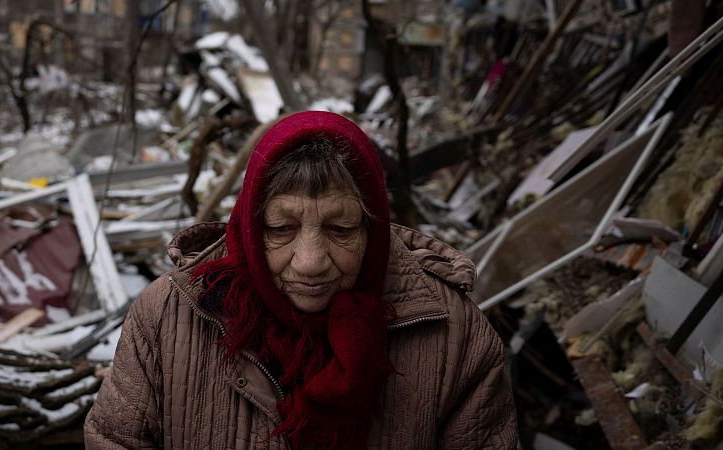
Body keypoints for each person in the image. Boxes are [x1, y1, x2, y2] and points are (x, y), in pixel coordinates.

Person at [84, 111, 517, 449]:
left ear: (373, 229)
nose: (310, 263)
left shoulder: (454, 336)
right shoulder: (168, 315)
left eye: (341, 229)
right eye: (280, 228)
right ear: (250, 230)